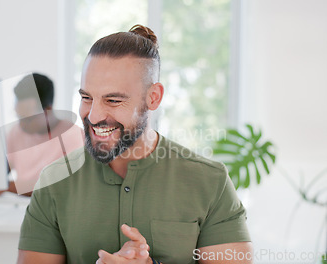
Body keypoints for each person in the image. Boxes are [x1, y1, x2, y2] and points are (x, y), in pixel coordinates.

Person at [17, 25, 252, 264]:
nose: (94, 115)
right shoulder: (54, 181)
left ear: (153, 97)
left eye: (113, 100)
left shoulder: (210, 182)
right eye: (87, 97)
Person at [0, 73, 84, 201]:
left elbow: (60, 188)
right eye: (19, 117)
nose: (22, 124)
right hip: (20, 207)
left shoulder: (74, 137)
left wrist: (5, 187)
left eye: (28, 119)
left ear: (48, 110)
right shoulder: (16, 132)